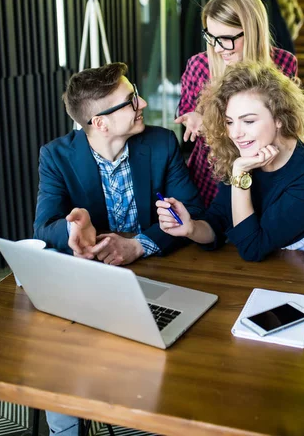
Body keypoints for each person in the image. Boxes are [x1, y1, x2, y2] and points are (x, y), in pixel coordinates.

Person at [34, 62, 203, 435]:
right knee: (62, 366)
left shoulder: (160, 143)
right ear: (100, 123)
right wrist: (73, 228)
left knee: (183, 362)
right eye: (131, 100)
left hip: (163, 273)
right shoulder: (56, 157)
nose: (142, 102)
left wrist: (140, 245)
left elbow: (195, 212)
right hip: (91, 281)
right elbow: (43, 231)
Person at [157, 62, 304, 260]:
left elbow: (253, 247)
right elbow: (217, 224)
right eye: (229, 122)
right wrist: (191, 228)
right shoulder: (242, 156)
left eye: (249, 121)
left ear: (279, 118)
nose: (235, 133)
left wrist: (240, 176)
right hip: (257, 275)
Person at [176, 0, 298, 207]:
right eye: (211, 37)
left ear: (252, 31)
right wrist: (192, 116)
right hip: (211, 177)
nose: (219, 48)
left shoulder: (284, 64)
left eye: (226, 38)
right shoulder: (199, 65)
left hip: (265, 175)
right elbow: (186, 110)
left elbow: (288, 124)